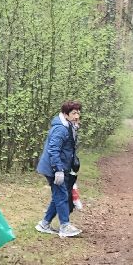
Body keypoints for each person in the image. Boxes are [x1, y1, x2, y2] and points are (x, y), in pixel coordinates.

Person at [35, 101, 83, 237]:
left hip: (62, 167)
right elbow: (53, 150)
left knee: (59, 195)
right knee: (62, 195)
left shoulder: (69, 126)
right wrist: (58, 170)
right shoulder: (60, 129)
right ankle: (65, 226)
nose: (77, 116)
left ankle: (44, 224)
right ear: (65, 114)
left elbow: (68, 149)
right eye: (74, 113)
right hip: (53, 168)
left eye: (78, 113)